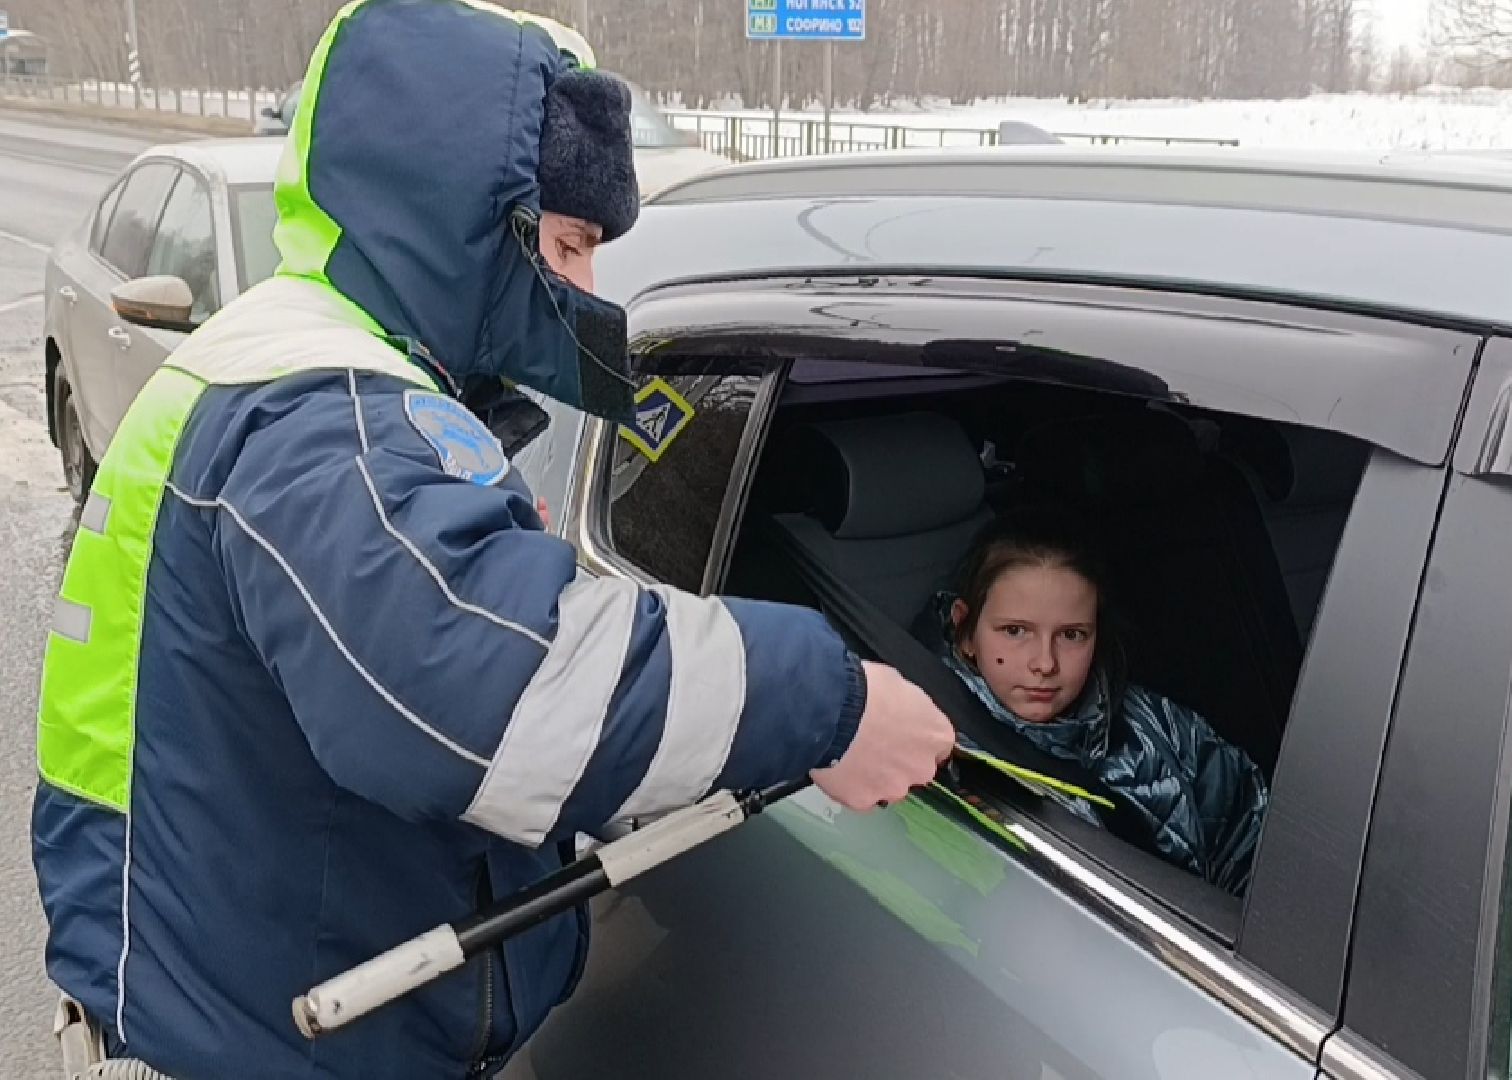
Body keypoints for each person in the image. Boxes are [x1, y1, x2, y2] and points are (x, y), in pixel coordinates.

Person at [32, 3, 952, 1077]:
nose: (585, 290)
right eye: (565, 244)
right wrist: (832, 701)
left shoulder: (309, 370)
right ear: (460, 223)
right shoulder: (323, 419)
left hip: (255, 1002)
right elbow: (494, 689)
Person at [929, 509, 1267, 896]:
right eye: (1015, 631)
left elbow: (1249, 834)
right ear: (965, 631)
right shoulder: (937, 757)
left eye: (1072, 635)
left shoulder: (1156, 724)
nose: (1045, 663)